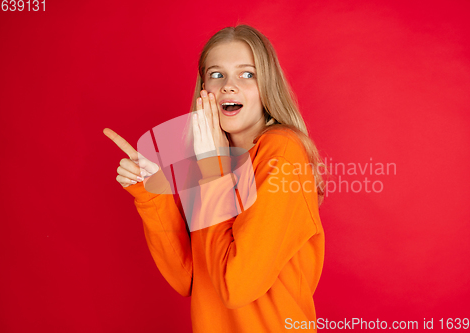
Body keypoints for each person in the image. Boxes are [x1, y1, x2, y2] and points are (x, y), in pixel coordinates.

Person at [104, 24, 327, 333]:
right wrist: (151, 192)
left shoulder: (282, 150)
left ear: (267, 86)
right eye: (217, 74)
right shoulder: (207, 161)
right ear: (203, 88)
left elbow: (237, 286)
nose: (229, 87)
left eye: (247, 74)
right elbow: (190, 279)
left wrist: (212, 170)